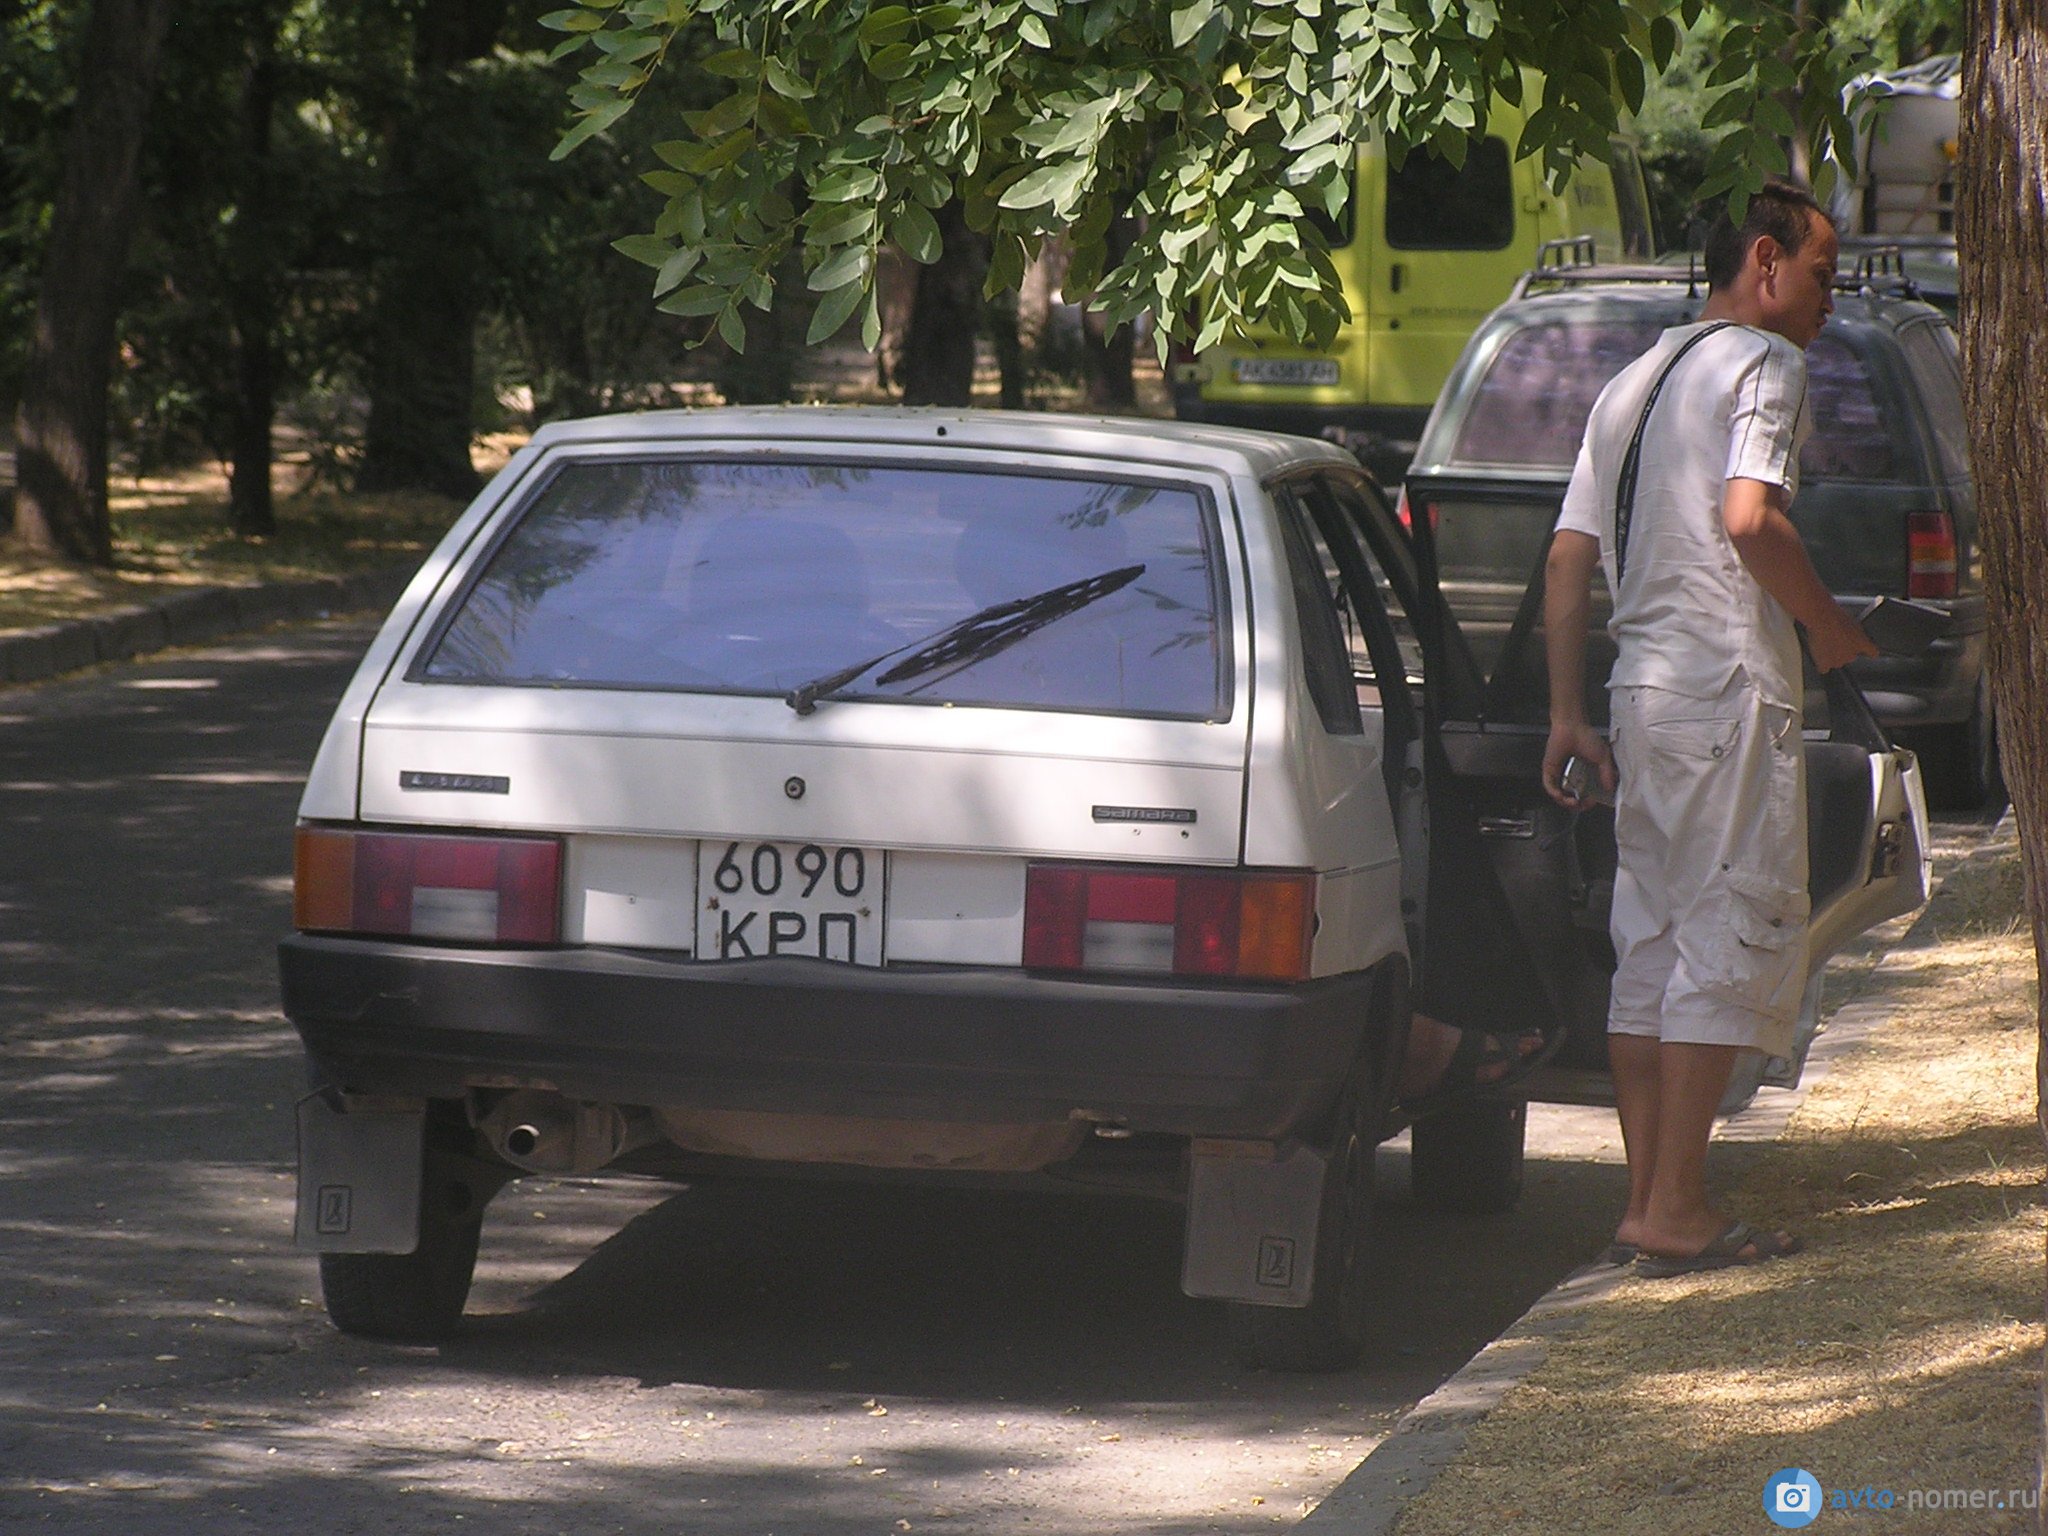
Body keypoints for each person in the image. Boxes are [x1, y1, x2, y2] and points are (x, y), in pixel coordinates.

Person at [1540, 181, 1879, 1277]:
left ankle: (1648, 1203)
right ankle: (1676, 1206)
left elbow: (1565, 559)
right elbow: (1749, 517)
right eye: (1822, 276)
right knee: (1723, 929)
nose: (1828, 304)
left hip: (1638, 695)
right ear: (1765, 262)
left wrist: (1561, 714)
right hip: (1725, 687)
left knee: (1648, 940)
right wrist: (1825, 629)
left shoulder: (1630, 381)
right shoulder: (1763, 365)